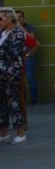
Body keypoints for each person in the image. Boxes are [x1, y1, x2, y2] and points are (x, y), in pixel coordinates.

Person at [0, 8, 27, 144]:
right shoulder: (2, 33)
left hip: (11, 73)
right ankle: (3, 132)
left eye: (1, 18)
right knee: (1, 103)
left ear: (9, 19)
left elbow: (13, 53)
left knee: (13, 102)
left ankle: (20, 133)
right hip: (1, 73)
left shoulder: (18, 34)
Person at [17, 10, 38, 105]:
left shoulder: (30, 27)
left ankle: (34, 100)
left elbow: (33, 39)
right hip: (18, 58)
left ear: (23, 17)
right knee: (20, 80)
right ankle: (22, 100)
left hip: (29, 57)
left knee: (30, 78)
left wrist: (21, 28)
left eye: (20, 16)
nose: (18, 19)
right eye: (16, 17)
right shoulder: (13, 28)